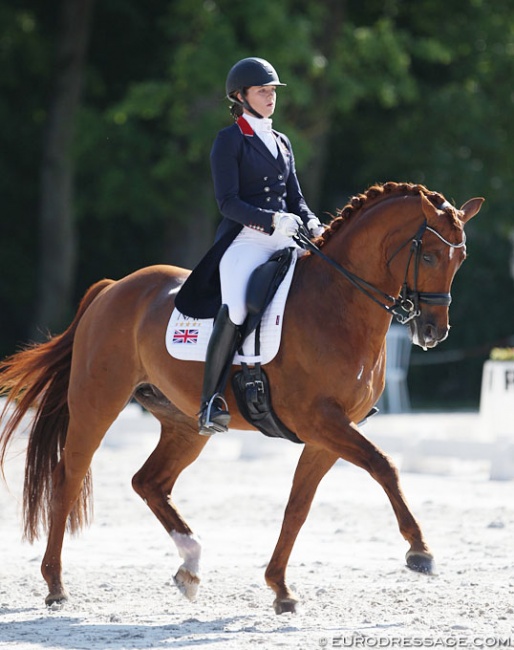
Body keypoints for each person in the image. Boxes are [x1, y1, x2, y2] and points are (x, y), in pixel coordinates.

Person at [177, 57, 324, 436]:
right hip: (246, 239)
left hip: (286, 237)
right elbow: (227, 202)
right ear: (241, 96)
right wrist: (273, 220)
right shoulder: (229, 140)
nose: (270, 97)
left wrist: (308, 219)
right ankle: (210, 402)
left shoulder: (281, 141)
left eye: (273, 90)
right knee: (239, 306)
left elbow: (296, 196)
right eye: (263, 91)